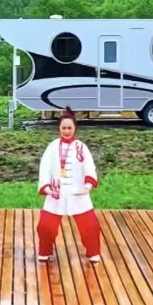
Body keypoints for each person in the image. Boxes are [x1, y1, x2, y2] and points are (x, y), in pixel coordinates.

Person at [36, 109, 102, 263]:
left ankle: (93, 252)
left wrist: (88, 184)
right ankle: (44, 251)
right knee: (46, 226)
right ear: (59, 129)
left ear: (75, 128)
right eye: (64, 128)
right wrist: (46, 186)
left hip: (78, 191)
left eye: (69, 128)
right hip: (56, 192)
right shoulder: (52, 147)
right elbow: (44, 167)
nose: (66, 131)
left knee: (90, 226)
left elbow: (89, 166)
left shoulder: (81, 147)